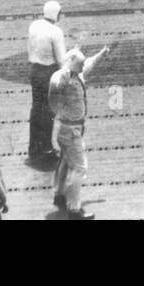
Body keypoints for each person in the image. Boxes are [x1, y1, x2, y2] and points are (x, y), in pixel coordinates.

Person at [50, 46, 111, 219]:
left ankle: (59, 194)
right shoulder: (64, 79)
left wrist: (100, 53)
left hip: (67, 128)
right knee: (78, 167)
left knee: (66, 161)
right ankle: (74, 209)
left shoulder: (76, 73)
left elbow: (88, 64)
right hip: (70, 129)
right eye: (79, 65)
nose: (82, 67)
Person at [28, 0, 67, 162]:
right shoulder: (56, 31)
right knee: (49, 111)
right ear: (56, 14)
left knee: (36, 109)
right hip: (49, 72)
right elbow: (61, 59)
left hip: (35, 70)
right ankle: (46, 147)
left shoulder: (34, 25)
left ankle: (34, 147)